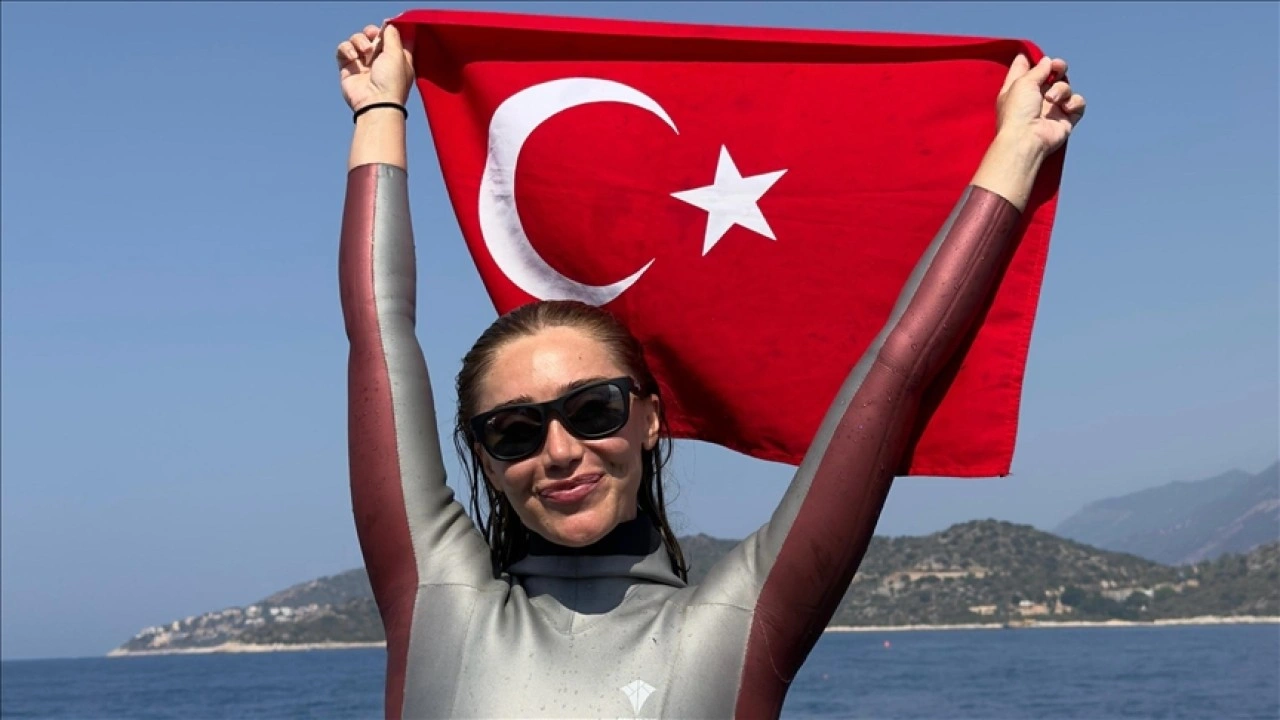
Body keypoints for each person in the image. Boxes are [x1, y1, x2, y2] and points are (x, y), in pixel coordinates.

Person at [336, 20, 1085, 720]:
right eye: (515, 430)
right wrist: (379, 110)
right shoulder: (438, 604)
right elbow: (377, 329)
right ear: (484, 457)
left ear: (649, 417)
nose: (559, 451)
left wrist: (1018, 150)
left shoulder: (739, 619)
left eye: (593, 410)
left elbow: (895, 373)